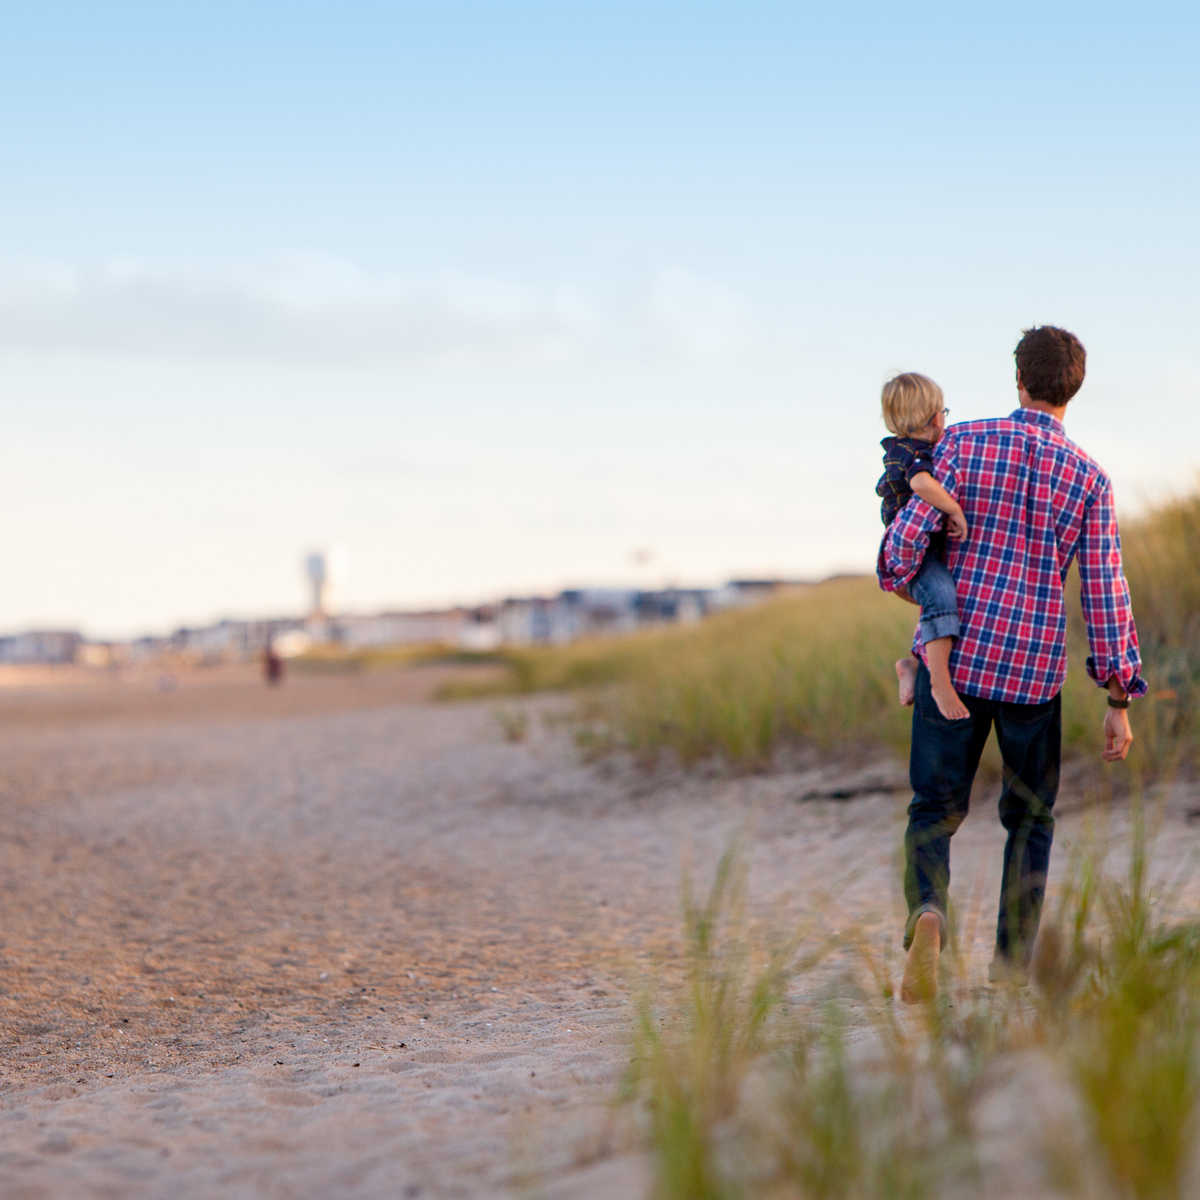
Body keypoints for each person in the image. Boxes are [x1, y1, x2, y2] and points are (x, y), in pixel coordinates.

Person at [879, 327, 1144, 1004]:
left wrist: (903, 572)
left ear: (1018, 380)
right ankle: (1011, 967)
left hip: (958, 662)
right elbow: (1106, 590)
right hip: (1032, 674)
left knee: (932, 811)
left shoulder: (962, 442)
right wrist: (1118, 701)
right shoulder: (1089, 477)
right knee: (1030, 820)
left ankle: (928, 915)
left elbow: (904, 544)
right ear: (1073, 388)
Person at [876, 373, 971, 721]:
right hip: (914, 553)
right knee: (942, 597)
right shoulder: (912, 453)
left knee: (936, 602)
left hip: (922, 549)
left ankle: (912, 663)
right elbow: (920, 484)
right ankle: (939, 684)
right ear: (934, 417)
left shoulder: (904, 448)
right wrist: (953, 507)